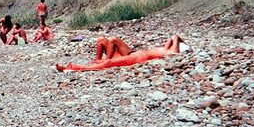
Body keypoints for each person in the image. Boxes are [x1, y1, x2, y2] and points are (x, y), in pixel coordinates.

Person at [56, 35, 188, 72]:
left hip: (138, 58)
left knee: (109, 63)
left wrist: (181, 43)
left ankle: (75, 68)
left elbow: (175, 37)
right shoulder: (167, 48)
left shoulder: (171, 52)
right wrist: (186, 45)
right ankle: (96, 61)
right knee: (102, 40)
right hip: (135, 54)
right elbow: (174, 37)